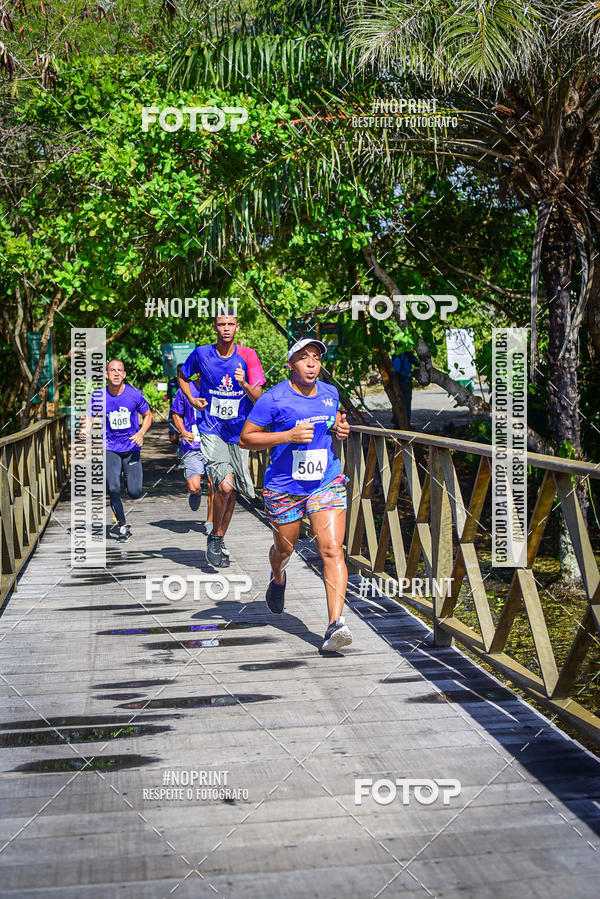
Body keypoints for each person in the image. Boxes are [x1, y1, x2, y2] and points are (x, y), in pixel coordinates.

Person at [239, 338, 352, 653]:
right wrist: (286, 436)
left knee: (332, 549)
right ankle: (278, 576)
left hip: (324, 481)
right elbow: (246, 439)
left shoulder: (330, 393)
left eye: (316, 357)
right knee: (284, 549)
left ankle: (335, 625)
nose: (312, 363)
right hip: (284, 486)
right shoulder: (273, 398)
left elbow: (334, 421)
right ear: (290, 364)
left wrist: (340, 429)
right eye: (304, 358)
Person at [177, 312, 265, 567]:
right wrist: (192, 400)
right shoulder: (202, 354)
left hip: (240, 433)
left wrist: (244, 383)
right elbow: (183, 376)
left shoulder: (248, 355)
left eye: (230, 324)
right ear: (214, 327)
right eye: (221, 324)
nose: (226, 328)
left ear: (237, 327)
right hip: (211, 429)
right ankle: (215, 537)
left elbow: (258, 396)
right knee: (224, 486)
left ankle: (217, 537)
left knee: (233, 489)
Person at [87, 359, 153, 543]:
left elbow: (148, 415)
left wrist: (141, 432)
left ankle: (126, 477)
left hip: (131, 447)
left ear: (124, 374)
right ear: (106, 374)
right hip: (110, 447)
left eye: (120, 371)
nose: (116, 373)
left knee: (134, 492)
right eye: (112, 370)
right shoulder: (99, 396)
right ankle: (122, 524)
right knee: (113, 488)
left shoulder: (134, 394)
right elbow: (90, 417)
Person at [170, 374, 215, 538]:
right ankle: (195, 493)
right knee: (194, 486)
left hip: (214, 445)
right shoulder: (186, 390)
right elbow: (176, 413)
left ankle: (210, 522)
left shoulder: (219, 389)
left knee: (213, 485)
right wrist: (183, 431)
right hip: (192, 445)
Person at [391, 350, 418, 426]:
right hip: (406, 382)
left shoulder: (394, 355)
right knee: (407, 403)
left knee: (397, 401)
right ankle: (406, 422)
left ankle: (396, 421)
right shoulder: (408, 355)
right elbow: (417, 363)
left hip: (396, 382)